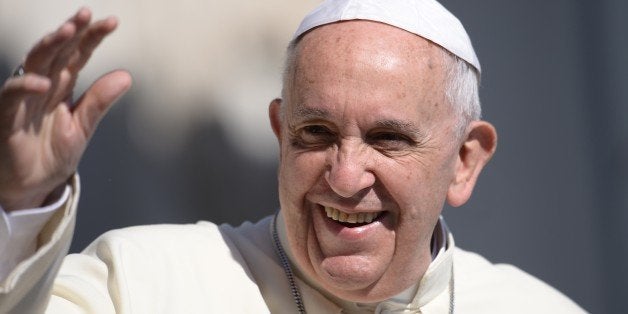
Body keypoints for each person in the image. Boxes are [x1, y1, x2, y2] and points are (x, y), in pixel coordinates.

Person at [0, 1, 587, 313]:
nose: (346, 176)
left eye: (388, 138)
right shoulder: (142, 282)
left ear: (464, 161)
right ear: (280, 135)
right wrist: (21, 203)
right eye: (316, 132)